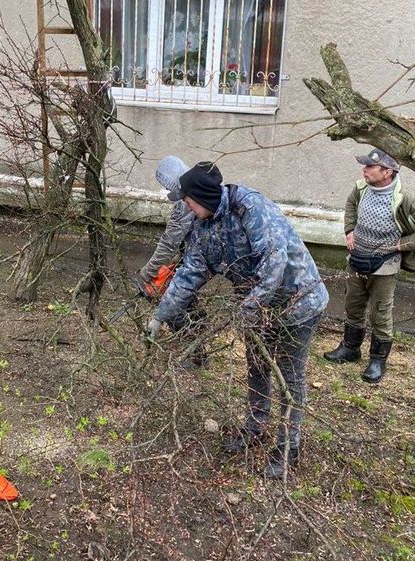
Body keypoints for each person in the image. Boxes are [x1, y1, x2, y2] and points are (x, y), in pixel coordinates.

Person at [146, 161, 329, 479]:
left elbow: (275, 258)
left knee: (289, 378)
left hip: (296, 303)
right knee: (257, 365)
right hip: (256, 307)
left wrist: (251, 307)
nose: (185, 207)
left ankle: (288, 448)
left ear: (201, 196)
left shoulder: (249, 206)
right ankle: (256, 426)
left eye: (187, 201)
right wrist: (161, 315)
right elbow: (190, 273)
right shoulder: (203, 227)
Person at [323, 149, 415, 384]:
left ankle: (378, 360)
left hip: (385, 265)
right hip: (357, 259)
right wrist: (349, 230)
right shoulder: (360, 189)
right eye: (365, 165)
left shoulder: (405, 199)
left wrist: (403, 244)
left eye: (370, 167)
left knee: (380, 313)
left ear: (387, 172)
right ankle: (350, 349)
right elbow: (350, 205)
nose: (365, 169)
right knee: (353, 305)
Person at [138, 156, 206, 369]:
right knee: (189, 298)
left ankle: (197, 356)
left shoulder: (185, 203)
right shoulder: (198, 188)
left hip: (202, 258)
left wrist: (149, 271)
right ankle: (201, 330)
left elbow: (170, 242)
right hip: (200, 255)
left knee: (172, 301)